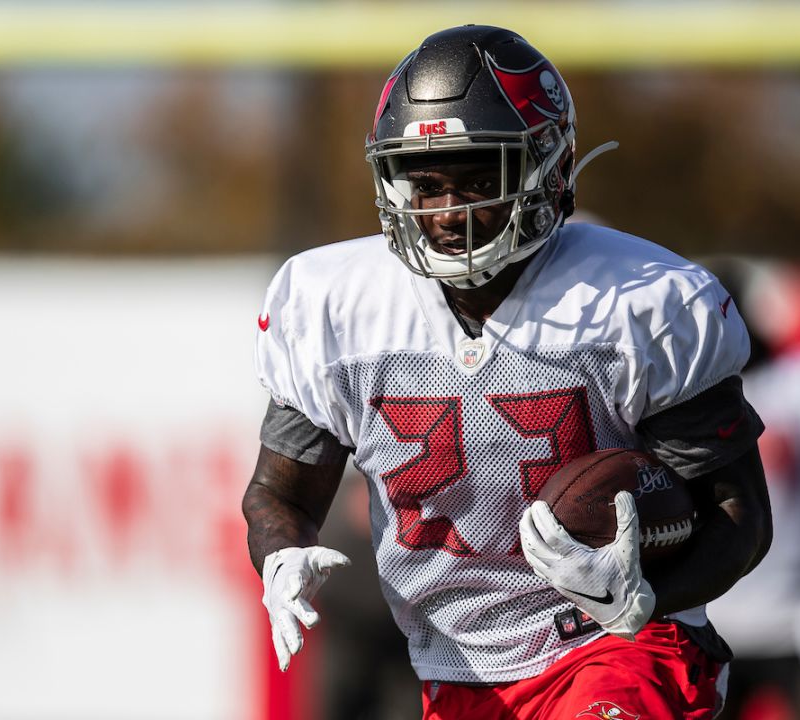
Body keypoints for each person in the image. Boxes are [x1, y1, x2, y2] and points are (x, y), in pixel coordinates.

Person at [242, 25, 772, 719]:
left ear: (550, 167)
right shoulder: (337, 305)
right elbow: (279, 494)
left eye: (478, 178)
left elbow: (743, 516)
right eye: (426, 183)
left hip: (620, 647)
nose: (448, 211)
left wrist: (640, 594)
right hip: (454, 665)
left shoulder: (638, 301)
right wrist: (281, 556)